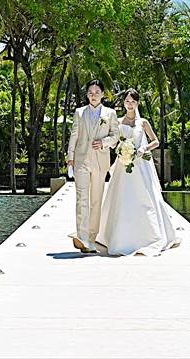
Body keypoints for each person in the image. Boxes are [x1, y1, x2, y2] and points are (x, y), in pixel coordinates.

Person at [96, 89, 180, 256]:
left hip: (141, 165)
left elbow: (156, 141)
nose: (130, 104)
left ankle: (149, 237)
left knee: (145, 198)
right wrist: (118, 148)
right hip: (123, 164)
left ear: (137, 103)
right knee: (121, 198)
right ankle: (117, 236)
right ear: (124, 103)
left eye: (133, 101)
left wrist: (144, 148)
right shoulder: (118, 122)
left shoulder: (143, 122)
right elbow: (113, 142)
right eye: (127, 101)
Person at [66, 79, 120, 252]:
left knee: (96, 200)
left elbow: (115, 136)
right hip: (81, 161)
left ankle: (91, 237)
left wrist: (104, 142)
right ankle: (82, 238)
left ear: (103, 94)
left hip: (100, 161)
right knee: (81, 198)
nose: (93, 95)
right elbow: (74, 135)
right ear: (87, 95)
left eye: (97, 92)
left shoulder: (110, 113)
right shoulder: (79, 112)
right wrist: (70, 158)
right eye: (90, 92)